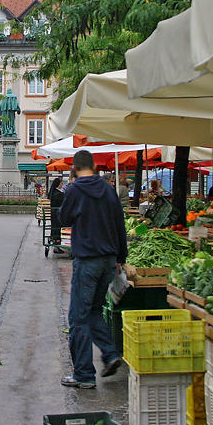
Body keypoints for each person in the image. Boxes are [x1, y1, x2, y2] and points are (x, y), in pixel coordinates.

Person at [58, 150, 127, 389]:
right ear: (94, 167)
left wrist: (70, 187)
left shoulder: (76, 190)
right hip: (109, 260)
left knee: (78, 317)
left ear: (75, 168)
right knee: (95, 311)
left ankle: (84, 374)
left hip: (88, 258)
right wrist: (121, 257)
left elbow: (64, 218)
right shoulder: (108, 189)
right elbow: (120, 223)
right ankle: (110, 354)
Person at [47, 178, 65, 247]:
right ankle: (56, 245)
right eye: (61, 184)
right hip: (58, 214)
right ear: (58, 184)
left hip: (53, 213)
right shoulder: (59, 194)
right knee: (58, 228)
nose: (62, 185)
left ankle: (54, 239)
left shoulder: (52, 193)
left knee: (54, 227)